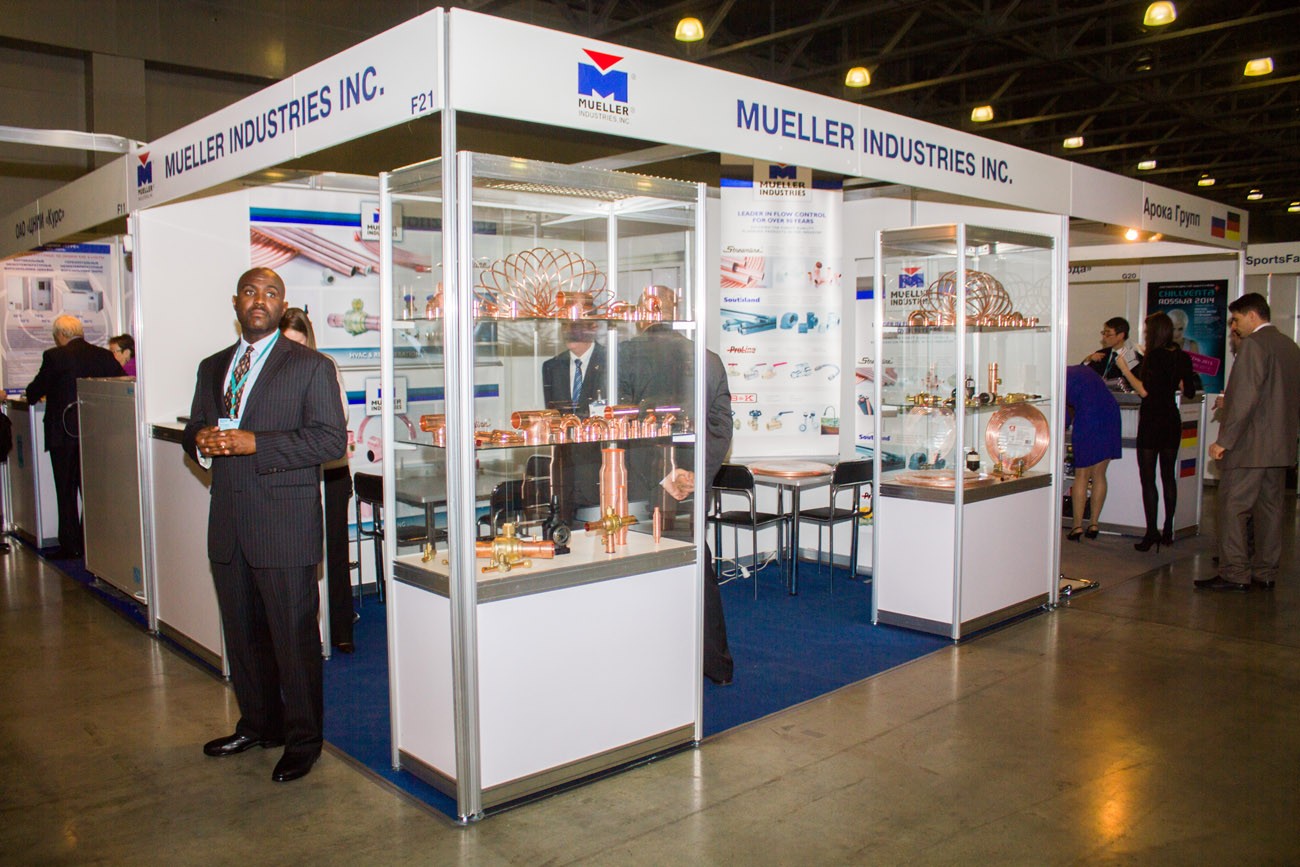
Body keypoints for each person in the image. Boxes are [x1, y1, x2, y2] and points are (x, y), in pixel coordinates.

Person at [183, 268, 347, 783]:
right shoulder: (213, 367)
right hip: (229, 525)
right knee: (243, 638)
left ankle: (303, 742)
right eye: (251, 292)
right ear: (236, 302)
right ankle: (258, 725)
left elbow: (330, 441)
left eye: (271, 293)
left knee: (294, 644)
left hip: (283, 527)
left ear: (282, 304)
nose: (260, 300)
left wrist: (258, 443)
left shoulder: (310, 366)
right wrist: (199, 441)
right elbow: (195, 425)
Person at [619, 288, 734, 685]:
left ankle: (652, 662)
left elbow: (624, 424)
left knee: (642, 571)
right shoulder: (708, 359)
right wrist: (695, 476)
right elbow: (721, 427)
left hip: (642, 485)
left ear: (641, 313)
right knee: (697, 567)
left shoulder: (626, 355)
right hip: (691, 486)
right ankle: (716, 665)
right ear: (676, 311)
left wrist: (666, 475)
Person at [1200, 293, 1300, 592]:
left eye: (1236, 319)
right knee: (1271, 512)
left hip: (1250, 447)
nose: (1234, 326)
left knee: (1232, 507)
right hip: (1279, 447)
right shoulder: (1289, 346)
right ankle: (1266, 572)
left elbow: (1246, 398)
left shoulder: (1254, 345)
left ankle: (1234, 572)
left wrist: (1225, 441)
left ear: (1252, 316)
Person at [280, 308, 356, 653]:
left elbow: (340, 416)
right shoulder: (274, 372)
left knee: (335, 549)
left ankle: (341, 627)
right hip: (296, 474)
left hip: (331, 472)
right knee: (298, 553)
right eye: (287, 342)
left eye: (299, 342)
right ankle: (304, 632)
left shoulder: (324, 365)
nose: (293, 349)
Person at [24, 315, 124, 559]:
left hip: (63, 434)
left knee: (66, 491)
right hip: (96, 434)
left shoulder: (55, 357)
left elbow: (34, 392)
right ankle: (92, 541)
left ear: (60, 335)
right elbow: (122, 385)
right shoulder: (103, 356)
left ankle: (71, 546)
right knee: (93, 491)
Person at [1115, 311, 1196, 551]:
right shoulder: (1182, 356)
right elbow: (1189, 390)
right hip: (1171, 419)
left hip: (1151, 421)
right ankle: (1168, 529)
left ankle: (1151, 532)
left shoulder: (1153, 357)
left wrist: (1125, 369)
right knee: (1168, 476)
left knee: (1148, 478)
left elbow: (1144, 391)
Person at [541, 320, 607, 523]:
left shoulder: (611, 362)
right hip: (564, 476)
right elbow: (554, 418)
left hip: (599, 471)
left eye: (575, 325)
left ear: (592, 328)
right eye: (565, 324)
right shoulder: (552, 367)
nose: (569, 331)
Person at [1065, 365, 1122, 541]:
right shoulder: (1081, 370)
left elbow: (1063, 414)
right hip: (1110, 414)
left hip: (1088, 417)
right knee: (1099, 474)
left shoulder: (1058, 378)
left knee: (1082, 475)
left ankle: (1076, 526)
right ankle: (1094, 524)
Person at [1081, 317, 1134, 383]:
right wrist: (1088, 359)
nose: (1104, 337)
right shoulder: (1101, 354)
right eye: (1103, 333)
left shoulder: (1133, 358)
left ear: (1120, 335)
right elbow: (1081, 374)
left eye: (1108, 334)